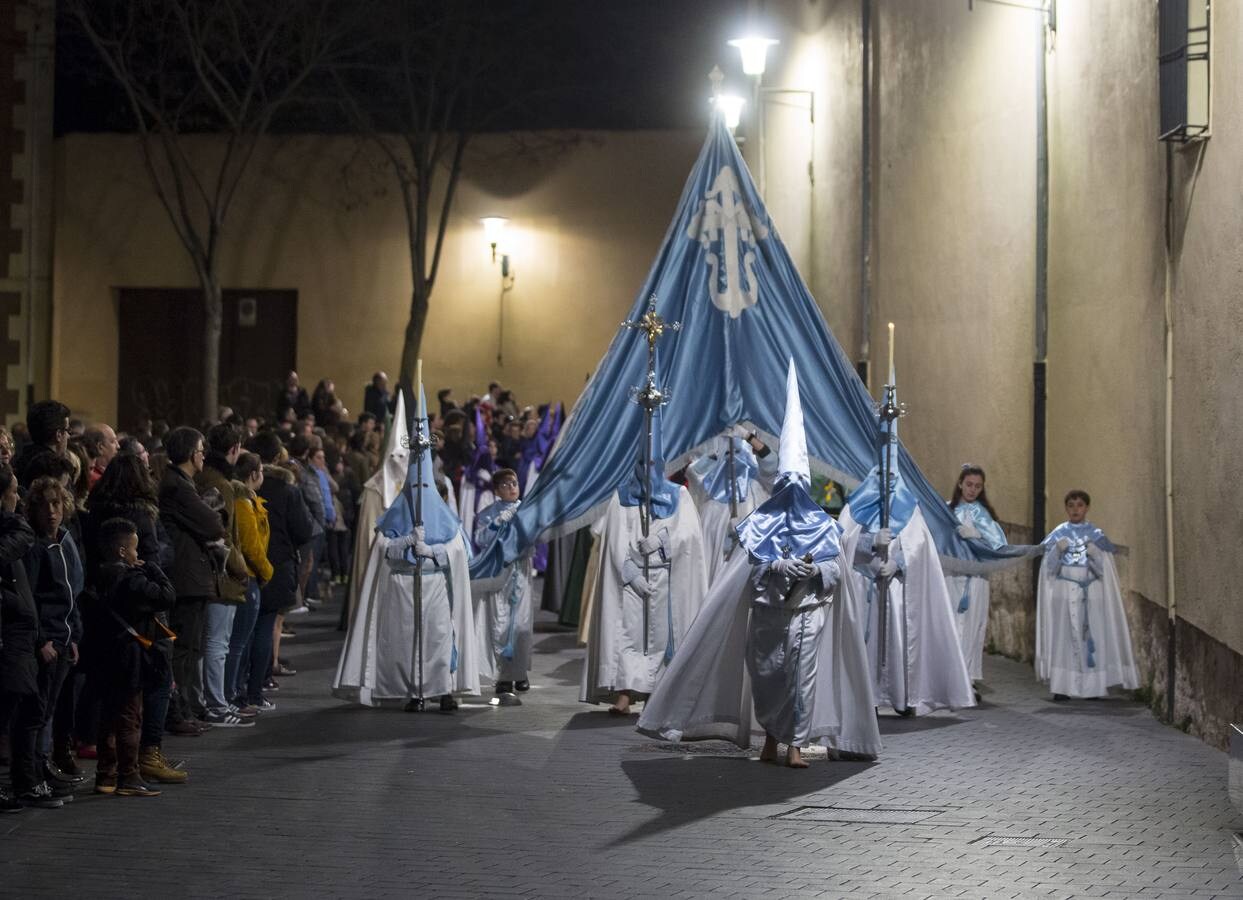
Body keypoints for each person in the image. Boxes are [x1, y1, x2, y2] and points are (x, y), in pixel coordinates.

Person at [638, 360, 881, 765]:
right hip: (770, 615)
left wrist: (816, 571)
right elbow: (749, 567)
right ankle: (770, 739)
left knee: (803, 679)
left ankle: (796, 745)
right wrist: (776, 567)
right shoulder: (763, 522)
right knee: (768, 679)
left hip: (807, 612)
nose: (790, 492)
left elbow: (836, 571)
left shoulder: (823, 525)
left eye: (796, 485)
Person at [334, 393, 481, 712]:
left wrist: (433, 550)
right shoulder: (396, 516)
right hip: (403, 587)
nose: (421, 495)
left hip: (436, 585)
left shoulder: (446, 519)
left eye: (425, 489)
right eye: (416, 489)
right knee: (410, 642)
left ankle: (444, 691)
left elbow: (457, 553)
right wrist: (403, 543)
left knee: (439, 639)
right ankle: (415, 691)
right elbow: (382, 549)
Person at [580, 421, 708, 716]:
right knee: (629, 634)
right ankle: (626, 691)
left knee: (662, 637)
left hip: (666, 578)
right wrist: (632, 574)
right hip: (632, 582)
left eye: (653, 462)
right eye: (642, 462)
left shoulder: (679, 496)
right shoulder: (622, 497)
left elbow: (688, 536)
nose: (647, 468)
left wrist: (663, 541)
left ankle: (658, 692)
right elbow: (614, 542)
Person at [840, 463, 974, 717]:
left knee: (897, 641)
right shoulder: (854, 507)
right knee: (865, 645)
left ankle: (901, 695)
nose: (886, 483)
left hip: (895, 589)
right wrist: (869, 541)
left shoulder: (909, 509)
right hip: (864, 588)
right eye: (881, 476)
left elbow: (920, 545)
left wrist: (897, 563)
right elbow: (841, 541)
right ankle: (868, 697)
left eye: (891, 477)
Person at [83, 453, 185, 783]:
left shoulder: (94, 513)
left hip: (103, 615)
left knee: (109, 701)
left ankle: (108, 772)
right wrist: (154, 565)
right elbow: (158, 561)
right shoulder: (140, 519)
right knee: (148, 687)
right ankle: (143, 758)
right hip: (142, 618)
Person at [91, 518, 175, 797]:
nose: (138, 555)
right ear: (122, 552)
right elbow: (167, 596)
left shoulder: (97, 576)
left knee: (107, 716)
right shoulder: (133, 579)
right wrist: (153, 568)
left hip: (104, 654)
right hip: (130, 656)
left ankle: (105, 774)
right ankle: (129, 775)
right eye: (135, 550)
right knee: (129, 716)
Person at [1036, 490, 1138, 700]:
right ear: (1066, 508)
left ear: (1087, 508)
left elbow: (1104, 573)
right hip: (1064, 593)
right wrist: (1056, 551)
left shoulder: (1096, 535)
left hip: (1090, 593)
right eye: (1071, 505)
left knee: (1092, 637)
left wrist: (1095, 555)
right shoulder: (1058, 533)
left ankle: (1092, 687)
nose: (1075, 509)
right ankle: (1063, 687)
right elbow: (1049, 570)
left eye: (1080, 505)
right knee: (1063, 638)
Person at [158, 427, 227, 728]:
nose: (203, 455)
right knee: (183, 649)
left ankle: (184, 708)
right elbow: (213, 524)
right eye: (200, 450)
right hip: (185, 576)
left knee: (191, 648)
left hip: (191, 576)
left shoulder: (183, 483)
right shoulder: (178, 486)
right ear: (189, 453)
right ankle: (176, 712)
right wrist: (212, 511)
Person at [23, 476, 85, 795]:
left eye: (56, 504)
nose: (51, 511)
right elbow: (31, 598)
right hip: (47, 639)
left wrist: (73, 635)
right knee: (37, 710)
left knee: (49, 709)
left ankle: (42, 763)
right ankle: (31, 772)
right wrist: (42, 639)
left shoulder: (63, 539)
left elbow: (72, 593)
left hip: (63, 636)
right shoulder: (35, 547)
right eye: (44, 504)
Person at [247, 432, 314, 711]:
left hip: (248, 565)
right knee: (264, 624)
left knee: (247, 630)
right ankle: (256, 686)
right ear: (277, 458)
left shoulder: (246, 486)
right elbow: (303, 529)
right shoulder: (287, 489)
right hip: (277, 563)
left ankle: (241, 686)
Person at [0, 466, 53, 809]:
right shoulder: (12, 530)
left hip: (23, 632)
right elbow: (21, 534)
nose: (17, 499)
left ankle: (27, 780)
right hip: (10, 635)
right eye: (13, 492)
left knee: (24, 708)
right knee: (10, 711)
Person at [194, 424, 252, 727]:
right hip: (219, 577)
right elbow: (221, 534)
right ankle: (216, 704)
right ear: (234, 450)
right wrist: (239, 568)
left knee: (206, 644)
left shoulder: (201, 478)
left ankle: (207, 701)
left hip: (202, 574)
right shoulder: (221, 485)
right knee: (217, 644)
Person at [945, 465, 1008, 698]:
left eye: (977, 486)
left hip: (976, 579)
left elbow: (998, 542)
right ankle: (948, 677)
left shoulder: (983, 514)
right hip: (952, 575)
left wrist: (978, 535)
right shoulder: (946, 510)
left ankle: (967, 679)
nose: (972, 490)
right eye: (969, 484)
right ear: (960, 483)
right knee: (950, 624)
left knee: (972, 626)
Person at [471, 469, 533, 699]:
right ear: (497, 491)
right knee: (500, 622)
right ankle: (503, 678)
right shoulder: (488, 514)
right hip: (500, 571)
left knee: (522, 623)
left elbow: (536, 536)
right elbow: (480, 539)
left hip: (521, 571)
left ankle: (520, 673)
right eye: (505, 485)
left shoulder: (526, 509)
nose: (511, 488)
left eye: (514, 483)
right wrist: (497, 523)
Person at [685, 430, 773, 585]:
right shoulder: (711, 490)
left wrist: (747, 437)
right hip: (715, 514)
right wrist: (716, 454)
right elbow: (694, 473)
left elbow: (772, 464)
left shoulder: (756, 476)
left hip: (749, 510)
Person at [225, 452, 273, 711]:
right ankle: (231, 695)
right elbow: (251, 546)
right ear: (253, 474)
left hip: (252, 576)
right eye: (261, 470)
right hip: (248, 577)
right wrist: (267, 572)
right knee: (237, 643)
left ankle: (234, 692)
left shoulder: (251, 501)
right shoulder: (243, 503)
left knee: (240, 641)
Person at [13, 400, 70, 487]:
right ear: (58, 435)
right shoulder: (56, 471)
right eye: (67, 430)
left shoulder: (18, 459)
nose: (69, 436)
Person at [82, 423, 120, 489]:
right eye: (113, 441)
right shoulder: (98, 481)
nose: (118, 446)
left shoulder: (110, 474)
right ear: (100, 447)